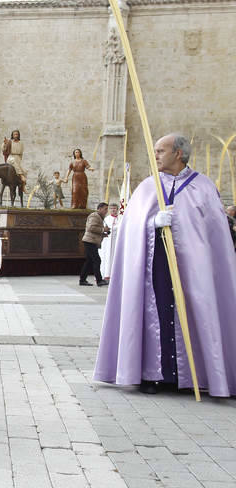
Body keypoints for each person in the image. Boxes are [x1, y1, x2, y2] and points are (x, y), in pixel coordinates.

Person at [94, 133, 236, 397]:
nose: (155, 155)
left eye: (161, 150)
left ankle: (194, 375)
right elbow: (130, 228)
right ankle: (152, 374)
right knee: (155, 314)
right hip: (154, 267)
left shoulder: (203, 187)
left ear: (178, 154)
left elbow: (215, 235)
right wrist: (152, 223)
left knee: (194, 314)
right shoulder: (148, 187)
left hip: (193, 271)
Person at [79, 203, 110, 287]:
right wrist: (103, 229)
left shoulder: (99, 217)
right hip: (89, 241)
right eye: (105, 209)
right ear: (99, 209)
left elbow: (94, 230)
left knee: (89, 261)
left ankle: (82, 280)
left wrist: (103, 234)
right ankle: (99, 281)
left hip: (92, 241)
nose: (106, 211)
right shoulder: (94, 216)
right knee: (97, 260)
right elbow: (91, 228)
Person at [99, 202, 120, 280]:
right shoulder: (106, 219)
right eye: (111, 208)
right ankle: (106, 273)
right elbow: (104, 229)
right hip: (108, 242)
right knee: (107, 257)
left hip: (116, 242)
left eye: (114, 208)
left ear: (117, 209)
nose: (113, 210)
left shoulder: (120, 218)